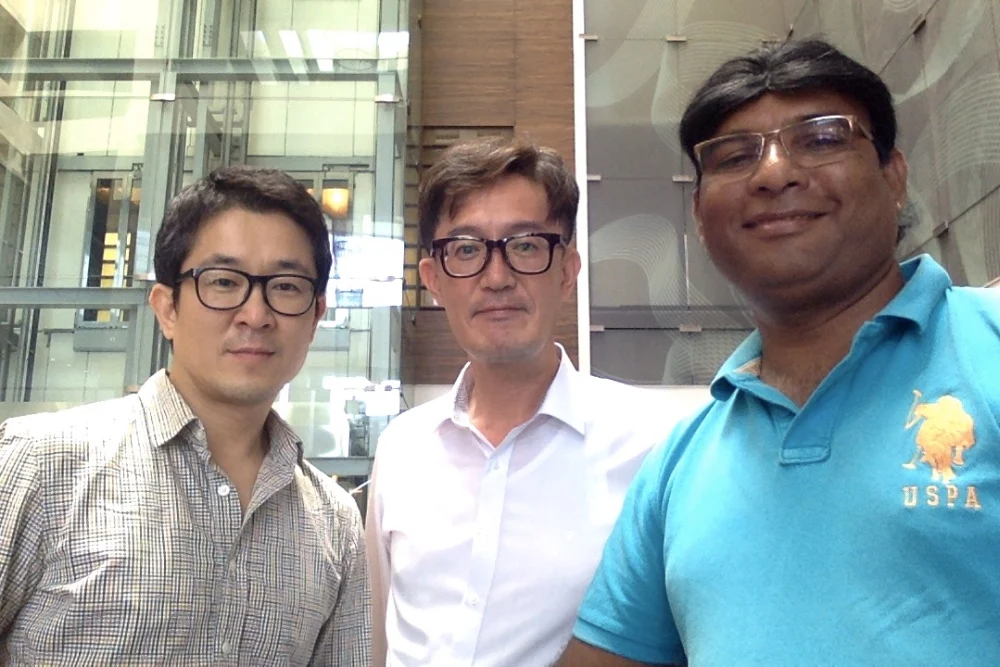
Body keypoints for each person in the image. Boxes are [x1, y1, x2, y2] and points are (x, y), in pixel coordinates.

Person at [558, 38, 1000, 666]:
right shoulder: (681, 463)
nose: (773, 173)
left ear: (894, 176)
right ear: (699, 216)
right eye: (735, 156)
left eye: (820, 139)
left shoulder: (987, 343)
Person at [0, 166, 371, 665]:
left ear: (315, 317)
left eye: (286, 287)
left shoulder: (336, 524)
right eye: (224, 282)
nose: (256, 314)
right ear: (167, 308)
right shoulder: (39, 464)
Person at [365, 136, 688, 666]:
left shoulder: (652, 448)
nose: (497, 278)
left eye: (526, 246)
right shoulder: (402, 447)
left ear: (567, 272)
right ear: (433, 281)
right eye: (466, 250)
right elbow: (376, 638)